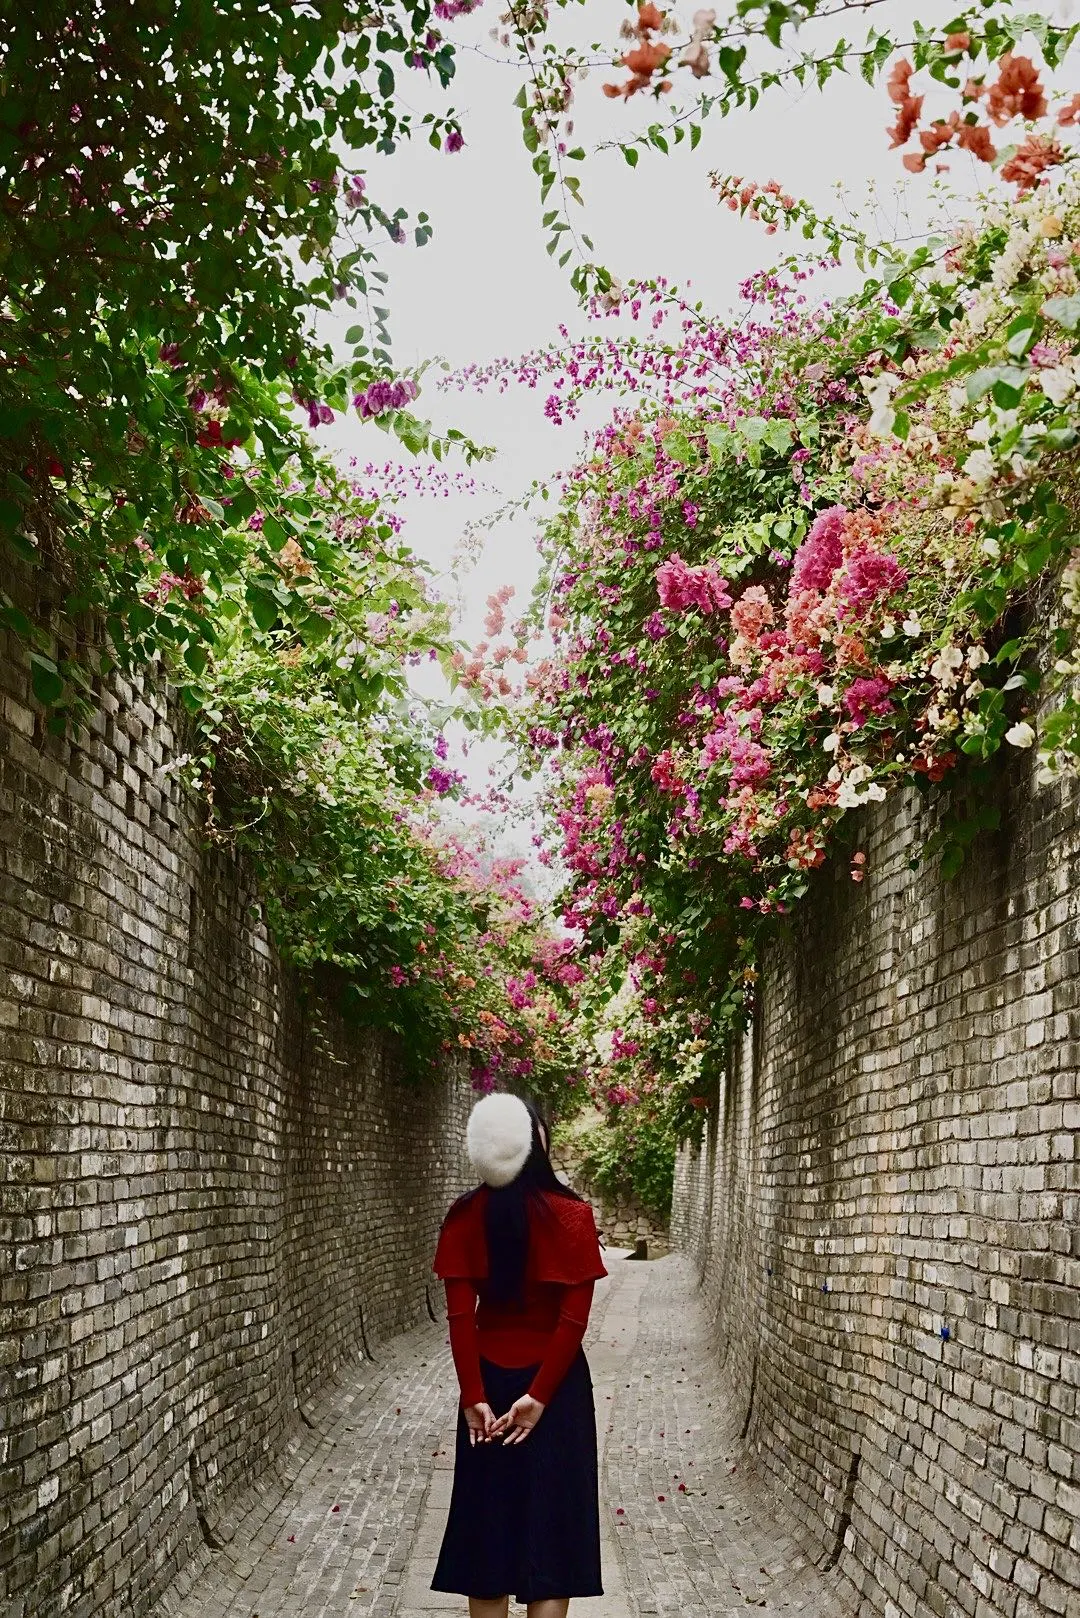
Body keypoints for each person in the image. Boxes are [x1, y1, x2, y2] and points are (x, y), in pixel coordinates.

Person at [430, 1092, 608, 1618]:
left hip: (489, 1385)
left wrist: (473, 1398)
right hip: (557, 1395)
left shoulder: (464, 1216)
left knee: (489, 1538)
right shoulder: (572, 1215)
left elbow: (462, 1318)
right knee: (553, 1542)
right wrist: (540, 1396)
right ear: (536, 1144)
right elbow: (572, 1321)